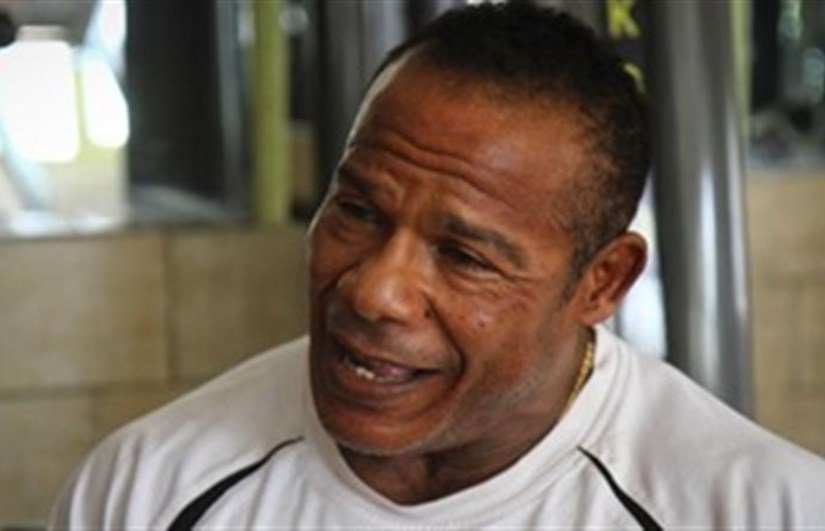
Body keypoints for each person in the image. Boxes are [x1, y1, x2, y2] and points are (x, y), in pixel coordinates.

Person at [51, 3, 825, 529]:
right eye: (357, 210)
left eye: (462, 255)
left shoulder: (759, 509)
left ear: (602, 282)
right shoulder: (146, 489)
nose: (374, 291)